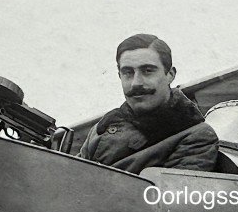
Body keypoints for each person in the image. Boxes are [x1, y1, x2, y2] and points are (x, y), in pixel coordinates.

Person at [78, 34, 218, 172]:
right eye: (128, 72)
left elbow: (169, 193)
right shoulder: (101, 128)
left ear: (170, 74)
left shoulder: (196, 136)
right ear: (119, 76)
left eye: (147, 71)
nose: (136, 83)